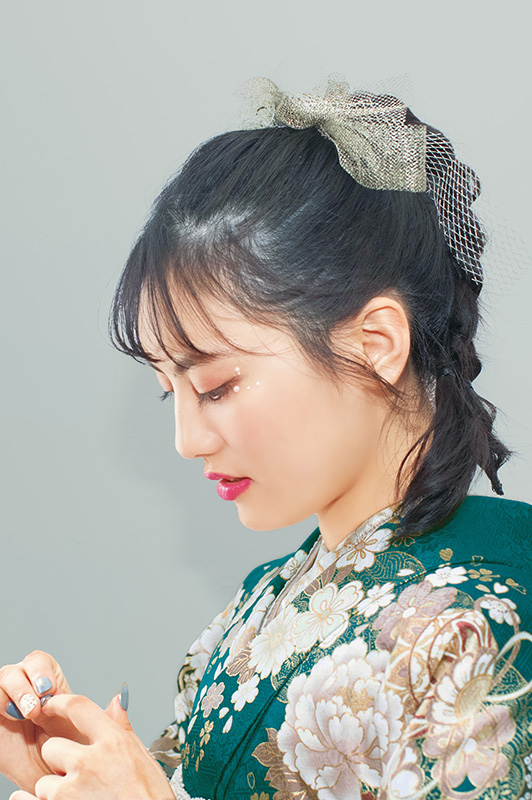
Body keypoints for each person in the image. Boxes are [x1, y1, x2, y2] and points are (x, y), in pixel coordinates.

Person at [1, 76, 531, 800]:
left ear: (376, 343)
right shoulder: (262, 604)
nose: (187, 441)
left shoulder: (484, 624)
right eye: (171, 394)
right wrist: (64, 766)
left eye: (217, 386)